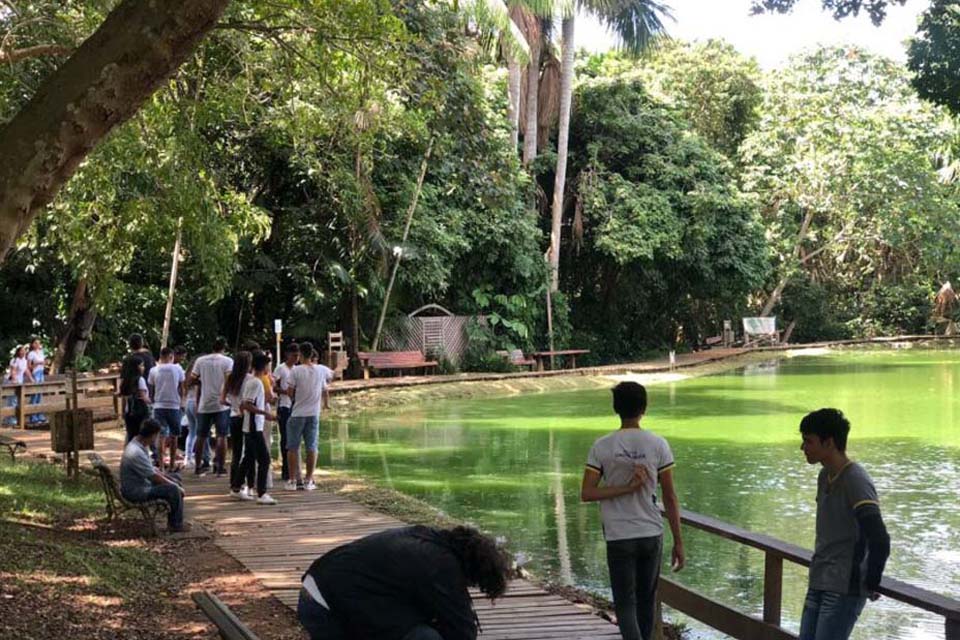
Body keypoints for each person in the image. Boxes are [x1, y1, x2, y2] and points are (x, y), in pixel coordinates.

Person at [580, 381, 684, 640]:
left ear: (616, 409)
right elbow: (670, 497)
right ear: (644, 408)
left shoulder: (601, 446)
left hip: (619, 534)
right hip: (651, 533)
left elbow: (587, 492)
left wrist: (624, 488)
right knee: (646, 602)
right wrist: (679, 542)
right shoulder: (658, 444)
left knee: (626, 605)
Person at [298, 525, 510, 640]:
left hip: (319, 589)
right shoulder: (441, 564)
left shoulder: (426, 538)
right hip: (326, 607)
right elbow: (462, 629)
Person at [798, 408, 890, 640]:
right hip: (819, 578)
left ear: (829, 443)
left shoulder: (855, 480)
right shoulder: (824, 476)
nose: (803, 448)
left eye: (808, 441)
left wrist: (872, 580)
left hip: (844, 585)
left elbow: (879, 537)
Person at [120, 418, 189, 533]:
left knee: (175, 478)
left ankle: (176, 519)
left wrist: (170, 478)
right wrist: (176, 487)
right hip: (136, 490)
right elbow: (153, 476)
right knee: (173, 489)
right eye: (157, 435)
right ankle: (176, 524)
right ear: (152, 435)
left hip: (142, 484)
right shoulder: (135, 452)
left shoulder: (138, 445)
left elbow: (153, 470)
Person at [285, 342, 333, 491]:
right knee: (312, 447)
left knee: (293, 447)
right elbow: (330, 379)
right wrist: (325, 403)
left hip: (298, 412)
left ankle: (293, 480)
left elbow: (290, 392)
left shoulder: (295, 371)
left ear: (300, 354)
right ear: (312, 354)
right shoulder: (320, 370)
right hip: (313, 414)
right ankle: (309, 479)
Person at [190, 337, 233, 476]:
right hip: (222, 403)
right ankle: (220, 467)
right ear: (224, 348)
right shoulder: (227, 361)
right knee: (222, 436)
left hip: (205, 403)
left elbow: (192, 378)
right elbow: (229, 381)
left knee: (201, 435)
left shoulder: (201, 361)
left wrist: (202, 381)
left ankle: (198, 466)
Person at [239, 351, 278, 505]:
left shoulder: (251, 381)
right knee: (264, 459)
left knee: (248, 458)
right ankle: (262, 493)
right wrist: (265, 414)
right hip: (254, 425)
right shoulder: (256, 383)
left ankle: (236, 486)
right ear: (264, 367)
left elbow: (244, 405)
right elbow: (247, 404)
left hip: (252, 424)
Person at [148, 347, 185, 471]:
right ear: (171, 356)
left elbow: (151, 389)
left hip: (159, 405)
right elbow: (181, 387)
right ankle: (172, 463)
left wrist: (153, 401)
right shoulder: (178, 369)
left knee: (161, 436)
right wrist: (181, 402)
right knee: (174, 436)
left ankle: (162, 465)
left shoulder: (153, 370)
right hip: (174, 405)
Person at [222, 351, 252, 498]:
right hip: (244, 417)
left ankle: (233, 483)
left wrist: (233, 405)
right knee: (247, 452)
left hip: (233, 416)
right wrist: (240, 409)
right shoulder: (249, 379)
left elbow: (222, 400)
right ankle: (240, 484)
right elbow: (246, 401)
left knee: (236, 453)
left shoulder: (230, 378)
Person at [273, 342, 300, 482]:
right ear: (288, 355)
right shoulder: (280, 369)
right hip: (284, 406)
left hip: (295, 407)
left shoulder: (297, 369)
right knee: (285, 438)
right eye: (294, 355)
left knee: (293, 439)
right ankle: (285, 470)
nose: (296, 358)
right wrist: (286, 392)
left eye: (298, 355)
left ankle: (293, 470)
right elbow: (273, 386)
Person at [119, 354, 151, 443]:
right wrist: (151, 403)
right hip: (140, 411)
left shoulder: (125, 381)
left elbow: (124, 398)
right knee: (140, 435)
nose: (143, 368)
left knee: (130, 435)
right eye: (141, 365)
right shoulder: (140, 380)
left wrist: (123, 412)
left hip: (128, 412)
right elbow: (143, 397)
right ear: (136, 367)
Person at [4, 345, 32, 425]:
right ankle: (10, 419)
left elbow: (26, 370)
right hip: (12, 382)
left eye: (24, 351)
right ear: (18, 352)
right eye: (22, 350)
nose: (23, 352)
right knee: (12, 401)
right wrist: (14, 380)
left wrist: (31, 379)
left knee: (18, 401)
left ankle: (13, 418)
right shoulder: (14, 360)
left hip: (20, 382)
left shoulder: (24, 360)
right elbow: (13, 371)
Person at [26, 338, 46, 424]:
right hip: (35, 372)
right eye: (35, 343)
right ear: (32, 344)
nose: (37, 345)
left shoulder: (41, 352)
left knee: (39, 394)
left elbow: (44, 362)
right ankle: (32, 415)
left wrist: (44, 363)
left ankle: (39, 414)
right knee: (34, 394)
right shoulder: (31, 354)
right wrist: (37, 363)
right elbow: (29, 366)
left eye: (39, 343)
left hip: (41, 372)